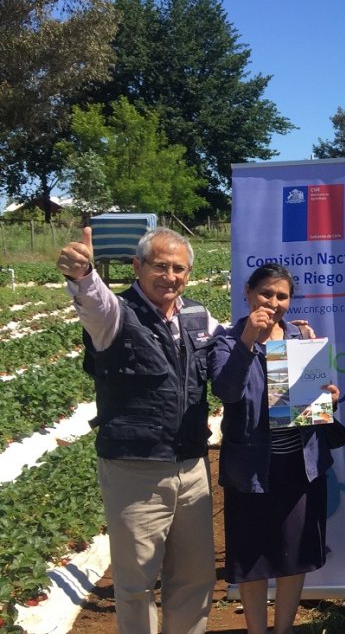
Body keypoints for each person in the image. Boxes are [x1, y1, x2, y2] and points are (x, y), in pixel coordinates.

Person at [56, 226, 221, 634]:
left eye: (179, 268)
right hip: (136, 470)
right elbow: (94, 304)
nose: (170, 276)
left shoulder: (197, 316)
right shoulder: (117, 314)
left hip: (192, 468)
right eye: (160, 266)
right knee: (136, 584)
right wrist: (83, 276)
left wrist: (291, 350)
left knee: (196, 577)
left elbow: (239, 351)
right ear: (137, 266)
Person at [209, 263, 342, 634]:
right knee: (251, 557)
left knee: (293, 555)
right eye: (266, 293)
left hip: (299, 468)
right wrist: (248, 341)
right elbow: (227, 391)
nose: (274, 302)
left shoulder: (301, 342)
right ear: (248, 293)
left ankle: (282, 629)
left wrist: (330, 396)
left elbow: (317, 405)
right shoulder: (226, 341)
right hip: (251, 469)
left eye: (282, 296)